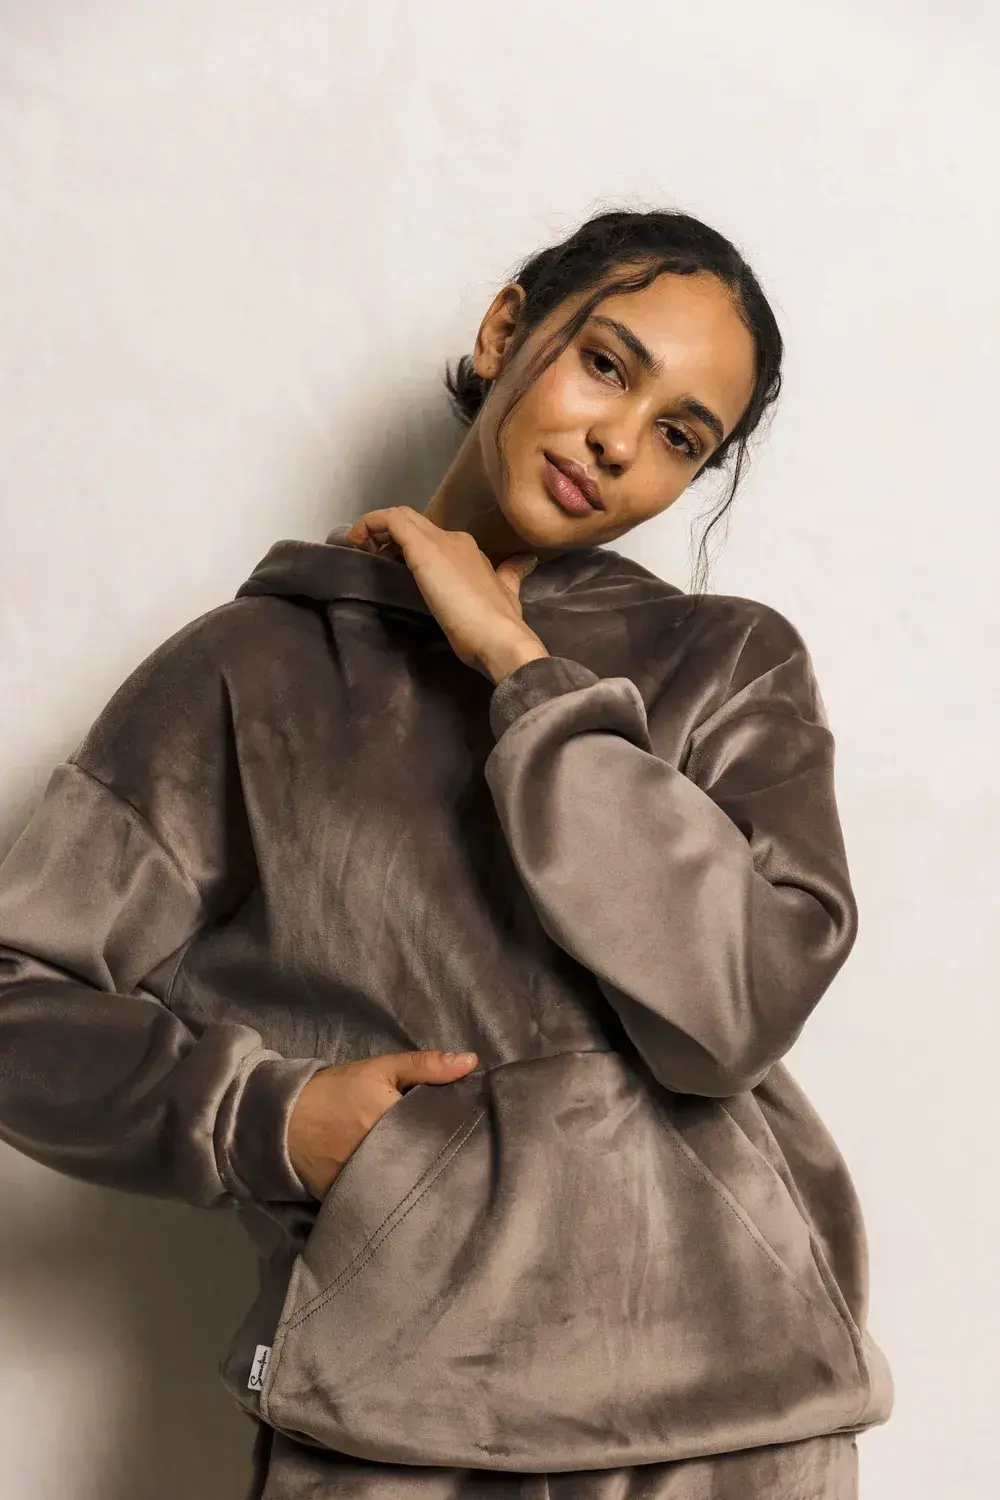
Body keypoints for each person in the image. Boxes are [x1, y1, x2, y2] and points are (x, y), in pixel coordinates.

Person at [0, 207, 893, 1499]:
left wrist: (520, 668)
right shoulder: (248, 671)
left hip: (739, 1414)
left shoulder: (728, 663)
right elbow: (18, 991)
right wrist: (265, 1118)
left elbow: (736, 1012)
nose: (619, 440)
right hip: (390, 1415)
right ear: (505, 328)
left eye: (680, 436)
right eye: (607, 364)